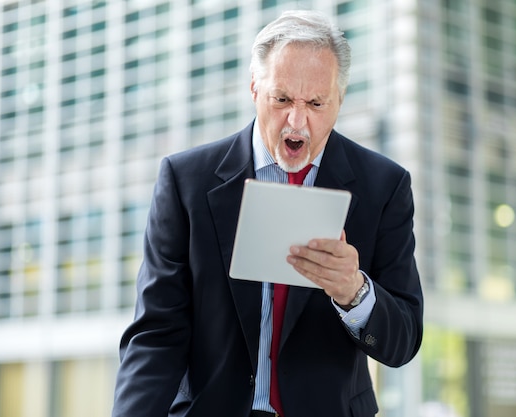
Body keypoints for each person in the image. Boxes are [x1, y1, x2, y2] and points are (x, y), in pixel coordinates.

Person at [112, 10, 423, 417]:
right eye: (282, 99)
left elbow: (404, 341)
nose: (298, 121)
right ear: (254, 87)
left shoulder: (384, 186)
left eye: (316, 103)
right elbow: (156, 335)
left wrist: (354, 291)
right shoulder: (186, 181)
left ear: (340, 100)